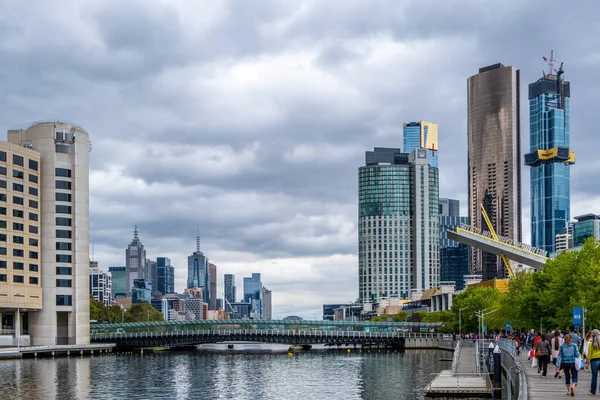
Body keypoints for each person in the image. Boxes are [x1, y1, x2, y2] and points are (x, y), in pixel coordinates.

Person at [586, 329, 600, 395]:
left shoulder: (590, 344)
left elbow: (589, 354)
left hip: (594, 361)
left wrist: (587, 363)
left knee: (594, 376)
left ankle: (593, 390)